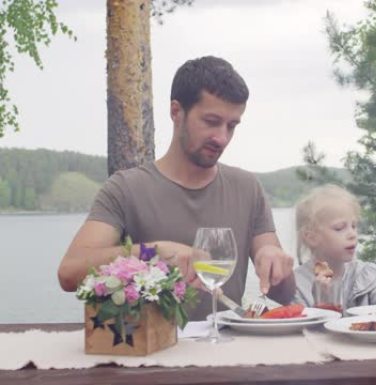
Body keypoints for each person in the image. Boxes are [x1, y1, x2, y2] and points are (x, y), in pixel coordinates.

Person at [58, 56, 295, 320]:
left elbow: (283, 297)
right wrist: (152, 252)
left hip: (227, 354)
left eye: (232, 125)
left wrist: (277, 264)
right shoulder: (125, 189)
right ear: (176, 112)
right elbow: (69, 273)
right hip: (153, 354)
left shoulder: (247, 188)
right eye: (211, 121)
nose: (222, 137)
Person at [292, 184, 376, 309]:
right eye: (339, 228)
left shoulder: (364, 274)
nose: (352, 234)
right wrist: (324, 303)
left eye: (354, 226)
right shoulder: (296, 286)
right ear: (311, 237)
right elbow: (299, 326)